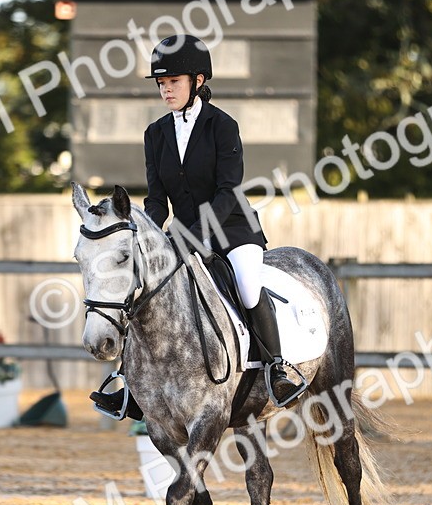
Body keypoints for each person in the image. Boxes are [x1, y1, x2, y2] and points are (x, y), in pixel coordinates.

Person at [91, 34, 306, 415]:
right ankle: (132, 386)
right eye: (161, 83)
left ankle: (277, 369)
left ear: (198, 81)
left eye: (173, 81)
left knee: (247, 286)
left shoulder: (222, 126)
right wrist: (149, 236)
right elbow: (157, 199)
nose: (166, 90)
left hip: (233, 230)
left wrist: (191, 234)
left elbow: (229, 190)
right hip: (180, 236)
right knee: (146, 293)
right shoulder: (155, 133)